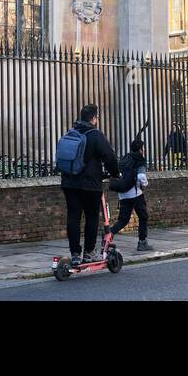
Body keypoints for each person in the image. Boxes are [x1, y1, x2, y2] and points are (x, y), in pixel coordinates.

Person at [58, 103, 120, 268]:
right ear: (93, 118)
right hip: (90, 184)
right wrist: (115, 172)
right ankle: (89, 252)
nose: (97, 120)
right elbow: (109, 157)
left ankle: (75, 254)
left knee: (73, 217)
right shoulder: (95, 135)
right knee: (92, 217)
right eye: (97, 117)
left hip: (69, 182)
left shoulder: (71, 133)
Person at [110, 138, 151, 252]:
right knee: (143, 216)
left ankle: (109, 234)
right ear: (141, 149)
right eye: (144, 148)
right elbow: (141, 177)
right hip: (135, 193)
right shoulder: (140, 159)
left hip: (123, 194)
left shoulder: (125, 157)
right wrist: (145, 185)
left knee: (123, 220)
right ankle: (142, 242)